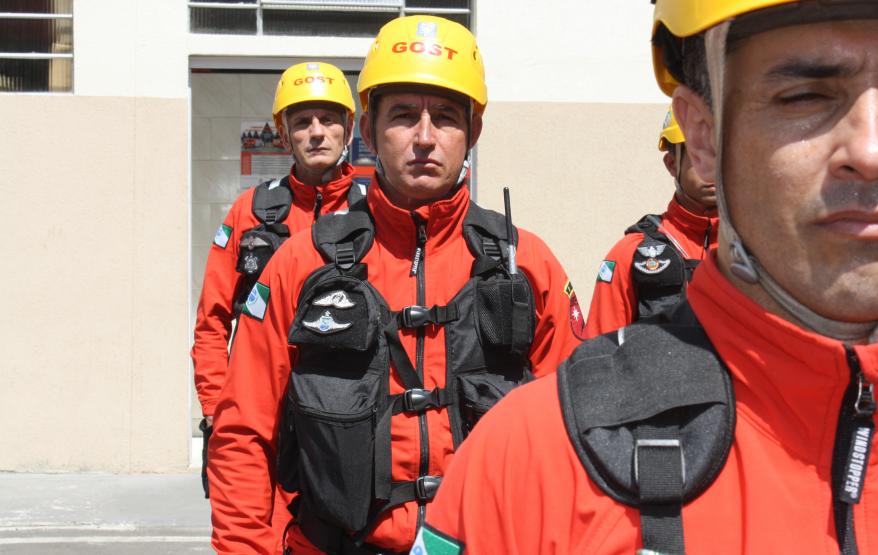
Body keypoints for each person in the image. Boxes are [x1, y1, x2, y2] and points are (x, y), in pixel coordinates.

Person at [415, 1, 878, 553]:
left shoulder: (522, 256)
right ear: (701, 136)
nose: (874, 152)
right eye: (806, 97)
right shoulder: (534, 463)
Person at [207, 15, 582, 555]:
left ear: (473, 132)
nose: (424, 138)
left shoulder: (527, 265)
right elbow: (243, 432)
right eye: (404, 115)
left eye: (445, 118)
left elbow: (578, 435)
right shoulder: (301, 263)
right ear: (368, 127)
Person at [191, 60, 358, 545]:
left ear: (349, 129)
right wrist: (218, 407)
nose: (317, 132)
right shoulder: (250, 211)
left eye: (328, 119)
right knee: (255, 533)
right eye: (302, 122)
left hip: (342, 414)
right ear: (283, 135)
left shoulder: (372, 212)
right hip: (263, 414)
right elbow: (212, 319)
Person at [586, 107, 718, 335]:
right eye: (700, 155)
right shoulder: (630, 254)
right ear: (672, 164)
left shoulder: (762, 251)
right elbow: (601, 350)